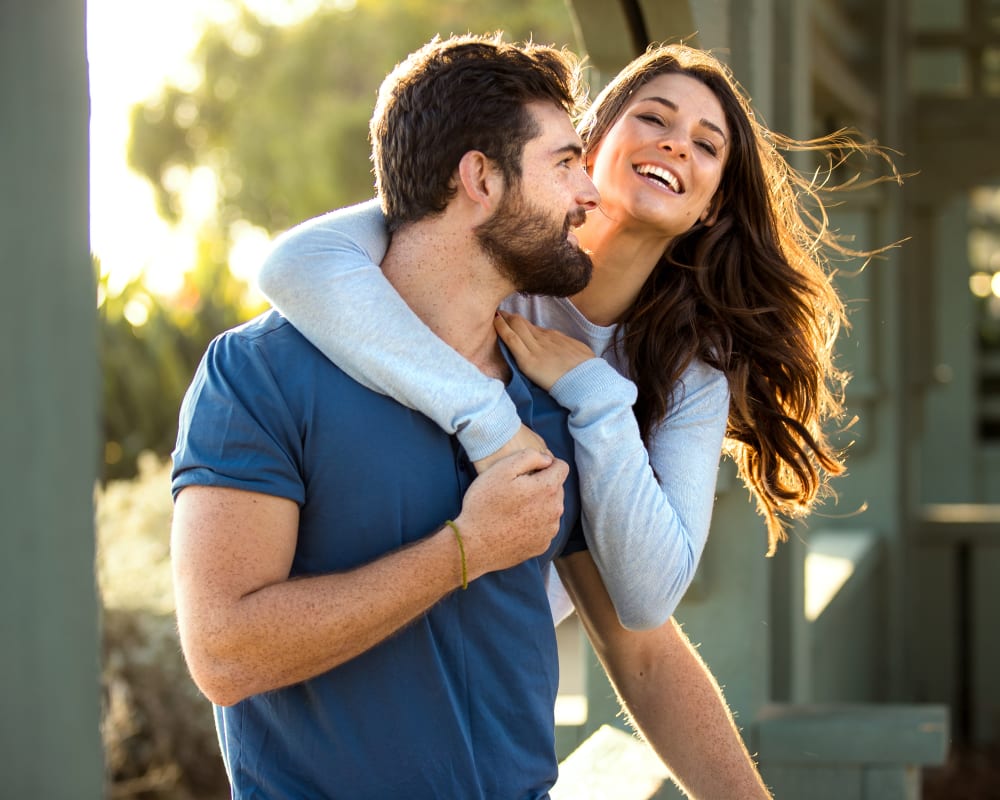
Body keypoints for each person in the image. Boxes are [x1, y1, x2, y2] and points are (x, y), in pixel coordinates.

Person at [172, 34, 771, 799]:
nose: (585, 194)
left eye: (704, 144)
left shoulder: (562, 400)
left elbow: (643, 648)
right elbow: (225, 657)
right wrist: (466, 549)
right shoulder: (263, 373)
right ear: (480, 179)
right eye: (566, 164)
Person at [259, 42, 898, 631]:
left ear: (709, 206)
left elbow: (649, 600)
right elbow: (293, 265)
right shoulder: (488, 241)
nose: (677, 145)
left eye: (707, 146)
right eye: (654, 118)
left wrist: (596, 396)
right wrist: (489, 421)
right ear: (585, 146)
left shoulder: (690, 373)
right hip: (351, 613)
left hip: (499, 668)